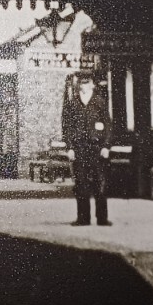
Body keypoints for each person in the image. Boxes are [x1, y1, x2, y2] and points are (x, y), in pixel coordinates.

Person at [61, 70, 112, 227]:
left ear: (92, 85)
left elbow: (108, 126)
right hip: (79, 148)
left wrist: (106, 146)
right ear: (78, 86)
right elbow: (67, 127)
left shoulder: (99, 102)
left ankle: (102, 218)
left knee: (99, 183)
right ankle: (83, 218)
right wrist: (70, 147)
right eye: (81, 83)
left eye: (87, 83)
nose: (84, 86)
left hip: (96, 147)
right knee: (81, 183)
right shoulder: (72, 104)